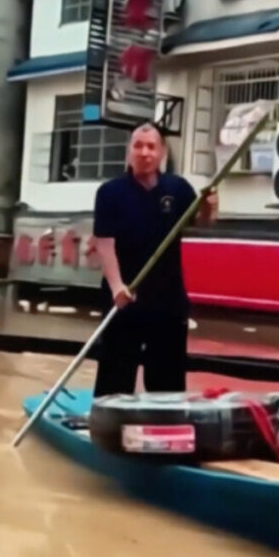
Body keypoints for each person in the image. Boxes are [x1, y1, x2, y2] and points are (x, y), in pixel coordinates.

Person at [92, 122, 217, 397]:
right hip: (125, 296)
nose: (144, 152)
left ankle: (166, 420)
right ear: (129, 151)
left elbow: (202, 224)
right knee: (115, 376)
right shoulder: (110, 193)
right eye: (138, 146)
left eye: (151, 146)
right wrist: (116, 286)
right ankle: (111, 420)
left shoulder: (178, 188)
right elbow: (104, 243)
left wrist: (209, 208)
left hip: (167, 300)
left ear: (162, 153)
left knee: (168, 381)